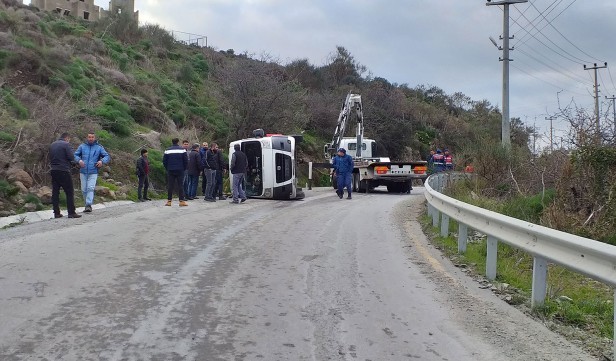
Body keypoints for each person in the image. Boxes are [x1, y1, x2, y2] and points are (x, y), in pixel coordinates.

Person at [74, 132, 110, 213]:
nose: (91, 138)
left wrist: (101, 161)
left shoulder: (99, 147)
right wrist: (79, 160)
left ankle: (88, 205)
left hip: (93, 171)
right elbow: (75, 155)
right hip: (83, 171)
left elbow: (107, 156)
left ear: (94, 138)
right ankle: (86, 204)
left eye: (92, 137)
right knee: (84, 189)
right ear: (87, 138)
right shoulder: (82, 146)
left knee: (90, 188)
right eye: (89, 137)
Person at [49, 132, 81, 219]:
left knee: (55, 192)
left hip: (53, 170)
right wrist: (77, 164)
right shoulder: (66, 145)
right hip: (63, 170)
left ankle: (56, 213)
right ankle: (71, 212)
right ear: (67, 138)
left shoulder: (52, 144)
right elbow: (71, 158)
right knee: (69, 192)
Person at [163, 138, 188, 207]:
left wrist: (167, 168)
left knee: (170, 185)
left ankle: (169, 201)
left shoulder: (167, 150)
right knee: (180, 185)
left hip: (170, 170)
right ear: (178, 142)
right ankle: (181, 201)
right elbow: (185, 160)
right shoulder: (182, 150)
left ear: (172, 142)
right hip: (180, 170)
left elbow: (164, 161)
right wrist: (184, 168)